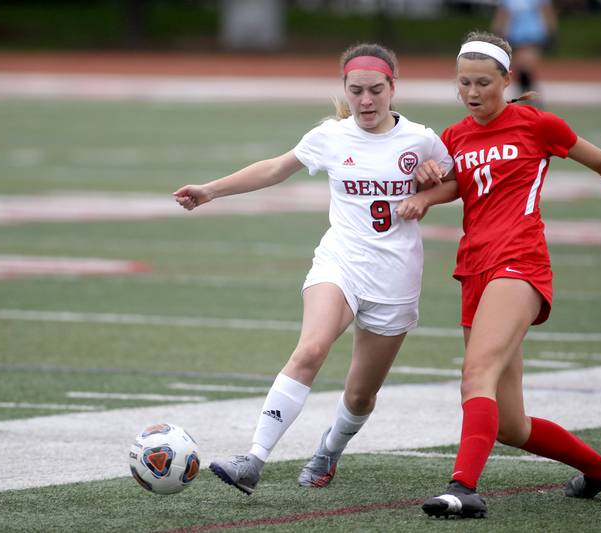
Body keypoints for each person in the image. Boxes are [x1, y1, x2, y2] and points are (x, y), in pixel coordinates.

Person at [395, 31, 601, 519]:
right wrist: (424, 188)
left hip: (520, 262)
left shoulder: (538, 125)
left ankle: (463, 488)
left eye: (483, 84)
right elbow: (455, 185)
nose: (472, 93)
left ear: (507, 80)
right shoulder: (454, 136)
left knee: (476, 376)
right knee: (511, 424)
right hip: (473, 268)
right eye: (463, 84)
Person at [174, 43, 452, 495]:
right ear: (344, 88)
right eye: (356, 90)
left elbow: (459, 180)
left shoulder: (421, 140)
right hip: (340, 261)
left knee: (361, 396)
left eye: (375, 90)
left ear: (393, 89)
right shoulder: (331, 136)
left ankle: (329, 451)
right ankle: (254, 459)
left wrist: (429, 188)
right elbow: (274, 169)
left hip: (396, 276)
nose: (366, 100)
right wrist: (210, 190)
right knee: (310, 349)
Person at [491, 0, 557, 105]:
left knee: (527, 66)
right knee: (519, 69)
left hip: (533, 35)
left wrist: (551, 32)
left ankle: (534, 99)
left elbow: (546, 11)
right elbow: (502, 14)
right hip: (514, 35)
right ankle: (527, 98)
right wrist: (497, 32)